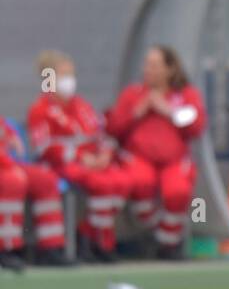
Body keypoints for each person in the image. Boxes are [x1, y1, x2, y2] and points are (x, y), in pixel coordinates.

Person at [27, 50, 130, 262]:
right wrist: (81, 157)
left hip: (93, 163)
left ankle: (89, 235)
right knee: (102, 185)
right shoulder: (40, 110)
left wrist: (104, 155)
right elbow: (43, 147)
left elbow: (101, 134)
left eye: (70, 74)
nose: (69, 80)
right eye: (63, 75)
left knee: (123, 181)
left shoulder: (82, 106)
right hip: (61, 165)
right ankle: (98, 244)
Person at [107, 45, 207, 260]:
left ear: (169, 69)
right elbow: (114, 128)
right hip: (138, 159)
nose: (147, 70)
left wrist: (168, 111)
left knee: (178, 191)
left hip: (174, 161)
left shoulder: (185, 95)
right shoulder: (133, 95)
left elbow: (196, 126)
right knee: (139, 181)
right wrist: (137, 113)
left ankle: (167, 246)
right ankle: (161, 234)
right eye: (146, 65)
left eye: (154, 65)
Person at [0, 115, 69, 270]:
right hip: (4, 167)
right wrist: (8, 165)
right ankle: (6, 249)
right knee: (13, 181)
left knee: (46, 180)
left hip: (7, 164)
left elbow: (5, 130)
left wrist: (12, 137)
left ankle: (50, 248)